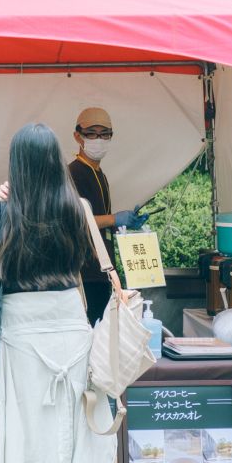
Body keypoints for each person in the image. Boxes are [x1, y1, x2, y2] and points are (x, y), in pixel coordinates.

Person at [0, 123, 117, 463]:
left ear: (17, 165)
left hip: (19, 334)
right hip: (72, 332)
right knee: (72, 437)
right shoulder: (79, 210)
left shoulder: (3, 211)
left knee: (22, 440)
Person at [68, 107, 147, 324]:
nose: (99, 139)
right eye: (92, 133)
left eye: (105, 134)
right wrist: (114, 219)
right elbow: (74, 221)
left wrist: (124, 223)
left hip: (103, 271)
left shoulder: (99, 174)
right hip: (85, 273)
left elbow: (98, 221)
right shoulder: (73, 173)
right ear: (78, 136)